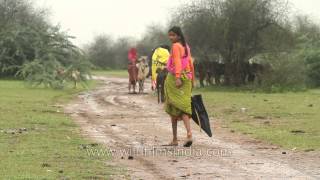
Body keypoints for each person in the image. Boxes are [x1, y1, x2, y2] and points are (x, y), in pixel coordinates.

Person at [164, 26, 195, 147]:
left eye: (173, 35)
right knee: (184, 108)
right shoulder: (186, 47)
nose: (171, 37)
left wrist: (177, 77)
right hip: (187, 78)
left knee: (173, 107)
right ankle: (188, 135)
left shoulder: (176, 46)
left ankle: (176, 139)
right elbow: (190, 63)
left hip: (176, 79)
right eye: (169, 35)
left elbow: (177, 61)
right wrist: (193, 79)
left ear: (178, 36)